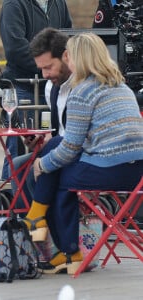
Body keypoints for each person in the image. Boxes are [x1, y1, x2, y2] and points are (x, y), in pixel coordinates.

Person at [23, 32, 143, 275]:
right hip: (137, 172)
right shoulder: (122, 88)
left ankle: (66, 247)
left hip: (109, 170)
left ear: (79, 58)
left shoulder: (83, 91)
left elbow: (69, 150)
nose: (67, 61)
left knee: (58, 175)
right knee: (56, 145)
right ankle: (46, 228)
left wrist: (41, 165)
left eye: (69, 56)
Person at [0, 0, 72, 180]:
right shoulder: (13, 4)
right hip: (22, 87)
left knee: (48, 146)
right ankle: (12, 199)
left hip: (52, 88)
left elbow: (67, 37)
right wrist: (50, 66)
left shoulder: (58, 3)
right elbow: (15, 48)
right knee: (17, 149)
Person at [11, 28, 72, 214]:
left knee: (33, 171)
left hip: (77, 153)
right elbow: (58, 132)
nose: (44, 74)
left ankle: (43, 224)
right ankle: (25, 227)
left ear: (66, 57)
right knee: (18, 165)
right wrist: (40, 142)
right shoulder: (49, 87)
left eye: (48, 67)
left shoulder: (81, 86)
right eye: (41, 69)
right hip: (60, 148)